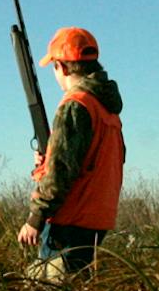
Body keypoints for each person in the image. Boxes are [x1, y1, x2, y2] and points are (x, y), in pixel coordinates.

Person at [16, 26, 125, 276]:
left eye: (54, 67)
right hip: (96, 219)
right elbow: (96, 161)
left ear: (62, 68)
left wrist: (36, 218)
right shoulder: (107, 109)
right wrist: (49, 158)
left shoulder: (76, 105)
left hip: (69, 221)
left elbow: (62, 172)